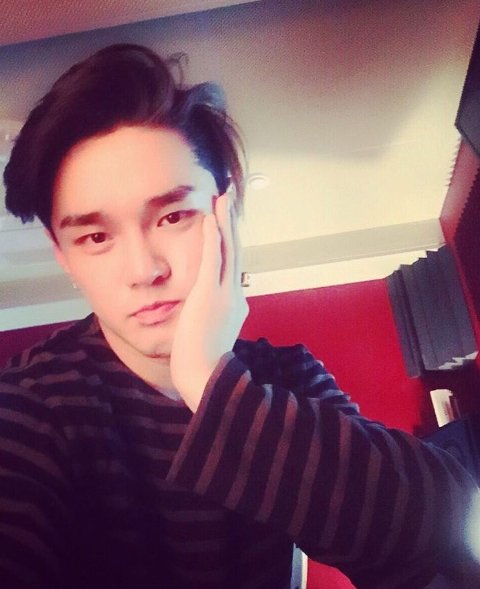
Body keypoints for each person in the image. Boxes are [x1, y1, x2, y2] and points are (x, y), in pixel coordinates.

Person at [1, 43, 479, 589]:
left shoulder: (288, 376)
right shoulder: (28, 408)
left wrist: (207, 380)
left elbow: (450, 544)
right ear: (64, 257)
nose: (144, 270)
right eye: (95, 237)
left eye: (173, 216)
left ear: (227, 213)